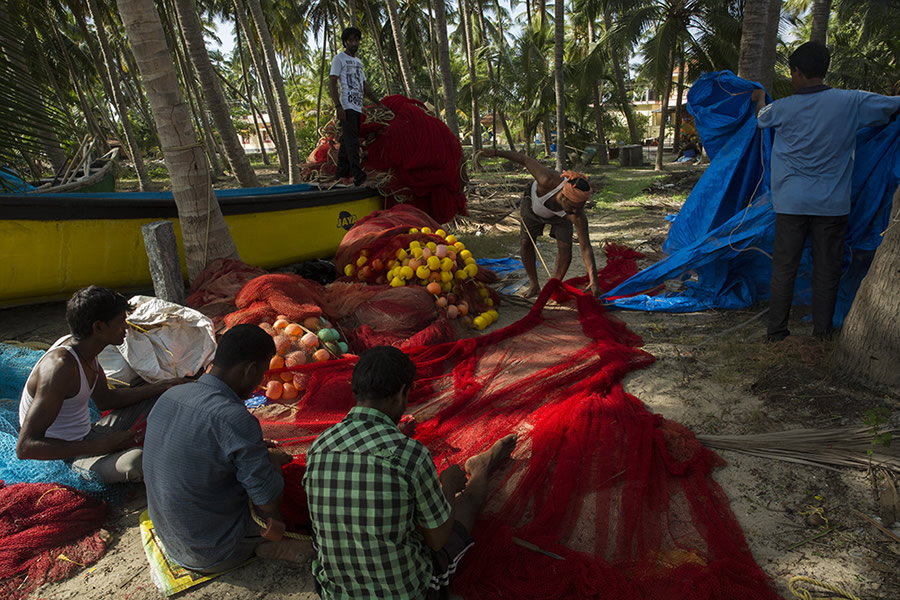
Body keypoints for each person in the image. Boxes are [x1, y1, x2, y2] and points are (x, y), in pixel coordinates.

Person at [303, 346, 516, 599]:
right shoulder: (410, 454)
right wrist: (447, 486)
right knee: (466, 505)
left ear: (356, 390)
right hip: (407, 591)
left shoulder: (319, 446)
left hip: (335, 592)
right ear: (402, 393)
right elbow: (437, 540)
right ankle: (482, 467)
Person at [752, 41, 900, 341]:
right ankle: (823, 333)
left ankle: (776, 332)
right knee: (827, 269)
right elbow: (892, 106)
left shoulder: (781, 108)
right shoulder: (852, 102)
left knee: (784, 269)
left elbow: (760, 118)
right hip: (832, 205)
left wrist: (757, 97)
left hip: (791, 204)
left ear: (796, 72)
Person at [142, 324, 310, 573]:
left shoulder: (171, 395)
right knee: (287, 505)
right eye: (261, 374)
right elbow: (267, 501)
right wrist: (272, 461)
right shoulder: (235, 418)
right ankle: (261, 543)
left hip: (173, 539)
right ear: (250, 370)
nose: (258, 384)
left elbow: (201, 447)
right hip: (211, 551)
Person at [16, 286, 187, 483]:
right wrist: (104, 446)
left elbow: (105, 400)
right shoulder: (60, 368)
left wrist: (164, 386)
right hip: (66, 457)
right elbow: (26, 447)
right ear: (98, 327)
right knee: (135, 462)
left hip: (92, 435)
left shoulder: (88, 352)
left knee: (168, 393)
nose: (126, 327)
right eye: (121, 321)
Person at [481, 148, 601, 297]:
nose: (575, 213)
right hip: (533, 206)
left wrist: (593, 279)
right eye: (572, 208)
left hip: (559, 218)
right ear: (563, 196)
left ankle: (553, 285)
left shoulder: (575, 214)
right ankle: (534, 285)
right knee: (526, 243)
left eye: (579, 209)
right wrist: (495, 153)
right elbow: (524, 159)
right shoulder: (547, 179)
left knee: (565, 246)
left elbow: (586, 247)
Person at [329, 27, 388, 187]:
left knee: (347, 139)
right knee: (352, 141)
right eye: (350, 40)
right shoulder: (339, 59)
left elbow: (365, 87)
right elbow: (332, 83)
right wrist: (338, 106)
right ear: (345, 42)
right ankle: (357, 174)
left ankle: (341, 171)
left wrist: (379, 104)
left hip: (356, 106)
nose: (354, 43)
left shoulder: (358, 62)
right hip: (346, 105)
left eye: (356, 40)